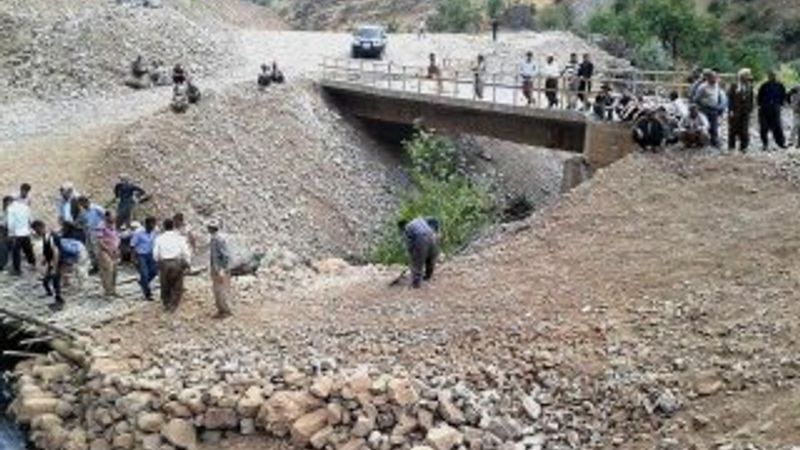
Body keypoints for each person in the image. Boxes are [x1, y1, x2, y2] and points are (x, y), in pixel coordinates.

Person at [153, 218, 192, 312]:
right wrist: (188, 263)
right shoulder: (179, 237)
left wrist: (157, 262)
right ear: (173, 226)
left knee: (165, 284)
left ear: (164, 227)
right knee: (177, 285)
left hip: (164, 263)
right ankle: (174, 305)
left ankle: (166, 303)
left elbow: (155, 253)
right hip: (176, 262)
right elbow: (186, 251)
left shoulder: (159, 238)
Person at [399, 217, 439, 288]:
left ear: (403, 226)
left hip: (421, 238)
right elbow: (435, 220)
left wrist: (412, 257)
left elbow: (410, 245)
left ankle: (416, 284)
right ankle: (428, 276)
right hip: (432, 236)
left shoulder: (407, 228)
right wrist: (436, 231)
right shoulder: (420, 219)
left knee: (417, 262)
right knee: (430, 259)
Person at [691, 69, 728, 148]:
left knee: (714, 126)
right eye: (713, 78)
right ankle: (703, 142)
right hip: (705, 109)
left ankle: (714, 142)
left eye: (716, 78)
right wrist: (702, 105)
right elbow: (696, 99)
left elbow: (719, 95)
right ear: (709, 78)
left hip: (714, 108)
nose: (715, 79)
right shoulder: (702, 87)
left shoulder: (717, 85)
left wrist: (720, 106)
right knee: (705, 125)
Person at [208, 219, 233, 318]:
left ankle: (225, 311)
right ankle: (222, 310)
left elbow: (225, 255)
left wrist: (222, 269)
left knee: (220, 290)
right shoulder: (216, 238)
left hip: (219, 269)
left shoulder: (218, 239)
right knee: (218, 290)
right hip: (217, 268)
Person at [757, 70, 787, 151]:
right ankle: (765, 144)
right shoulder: (764, 85)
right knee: (764, 127)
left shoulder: (780, 85)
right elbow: (759, 97)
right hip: (764, 109)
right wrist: (760, 106)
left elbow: (783, 96)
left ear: (776, 76)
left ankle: (781, 143)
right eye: (770, 76)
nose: (772, 77)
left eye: (773, 75)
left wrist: (780, 104)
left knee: (777, 126)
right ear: (768, 77)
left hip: (775, 108)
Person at [727, 68, 755, 153]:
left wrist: (751, 109)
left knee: (744, 129)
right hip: (735, 111)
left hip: (745, 111)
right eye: (747, 75)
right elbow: (730, 99)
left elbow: (751, 99)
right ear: (742, 76)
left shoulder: (750, 86)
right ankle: (731, 147)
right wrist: (730, 110)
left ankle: (743, 147)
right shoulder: (734, 85)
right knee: (733, 129)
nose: (748, 77)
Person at [5, 196, 34, 275]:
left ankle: (17, 269)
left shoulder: (10, 209)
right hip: (25, 232)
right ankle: (32, 263)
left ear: (9, 201)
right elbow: (30, 219)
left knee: (16, 252)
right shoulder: (25, 207)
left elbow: (11, 223)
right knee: (28, 249)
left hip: (17, 233)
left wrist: (10, 234)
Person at [131, 217, 158, 301]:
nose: (153, 226)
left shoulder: (155, 231)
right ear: (146, 224)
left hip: (151, 254)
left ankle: (143, 282)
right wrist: (133, 258)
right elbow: (132, 245)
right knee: (144, 274)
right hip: (141, 255)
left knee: (154, 272)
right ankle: (148, 294)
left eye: (154, 224)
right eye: (151, 224)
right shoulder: (138, 232)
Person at [77, 196, 105, 275]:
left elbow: (105, 217)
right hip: (88, 232)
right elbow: (81, 221)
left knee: (97, 250)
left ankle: (102, 267)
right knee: (90, 250)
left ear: (86, 202)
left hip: (97, 231)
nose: (81, 206)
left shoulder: (97, 208)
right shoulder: (83, 212)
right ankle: (95, 266)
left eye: (82, 204)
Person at [96, 212, 120, 298]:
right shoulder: (101, 226)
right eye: (112, 217)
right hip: (104, 251)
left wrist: (116, 248)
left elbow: (116, 237)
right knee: (108, 270)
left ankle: (113, 289)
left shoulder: (113, 225)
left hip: (114, 250)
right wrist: (108, 249)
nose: (113, 218)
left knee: (115, 271)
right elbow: (100, 241)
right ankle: (107, 290)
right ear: (106, 217)